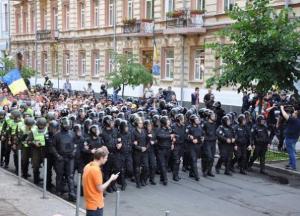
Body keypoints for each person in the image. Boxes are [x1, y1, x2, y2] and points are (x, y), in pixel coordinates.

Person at [82, 147, 119, 216]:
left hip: (89, 203)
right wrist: (111, 179)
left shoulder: (87, 166)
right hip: (96, 206)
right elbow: (100, 188)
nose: (106, 160)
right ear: (101, 158)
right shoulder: (96, 170)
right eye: (106, 158)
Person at [280, 105, 300, 171]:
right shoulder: (297, 120)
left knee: (291, 152)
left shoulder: (293, 120)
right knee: (291, 151)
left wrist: (282, 109)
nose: (293, 113)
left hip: (290, 138)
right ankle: (291, 164)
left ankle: (293, 166)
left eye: (294, 113)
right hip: (294, 138)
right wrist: (294, 109)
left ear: (296, 115)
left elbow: (285, 115)